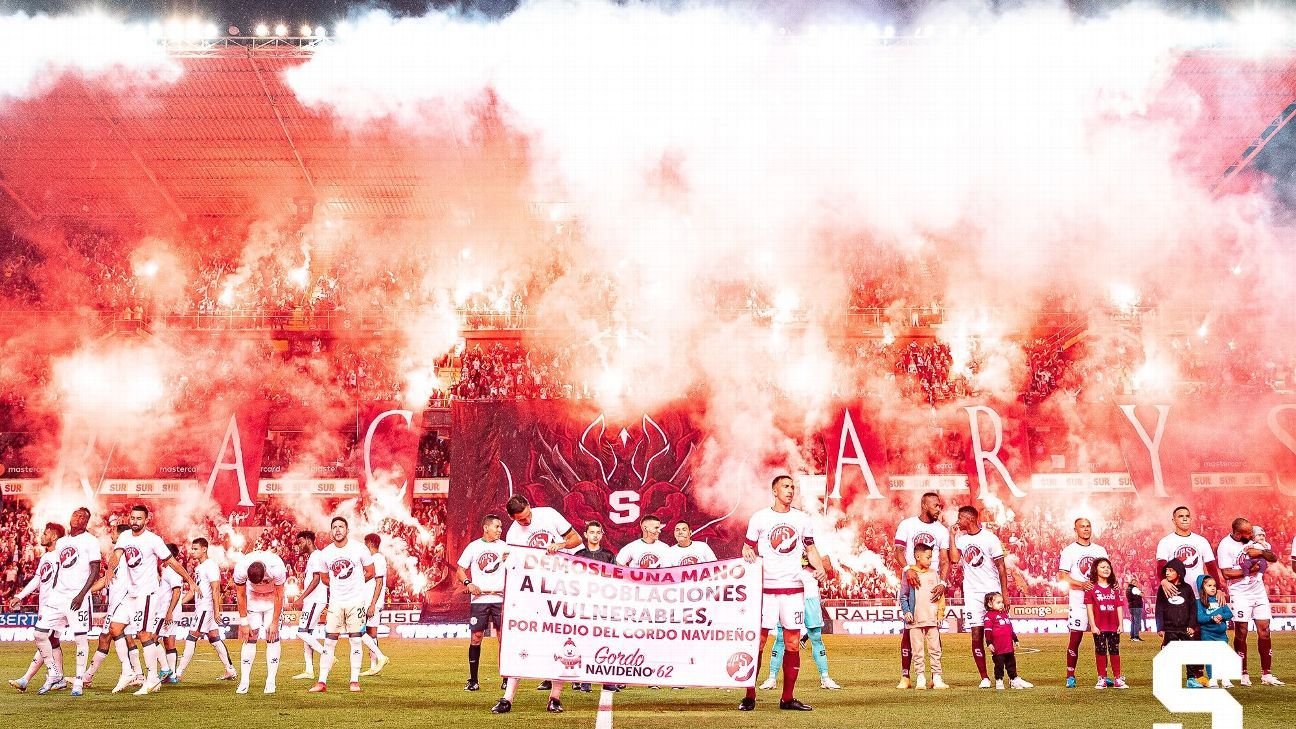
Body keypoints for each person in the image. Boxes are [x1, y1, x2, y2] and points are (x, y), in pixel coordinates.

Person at [739, 474, 825, 712]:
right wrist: (747, 552)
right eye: (785, 487)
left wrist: (820, 569)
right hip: (766, 590)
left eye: (792, 487)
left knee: (793, 643)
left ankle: (787, 698)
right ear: (774, 491)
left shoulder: (801, 519)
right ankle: (749, 695)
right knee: (759, 642)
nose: (790, 490)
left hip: (793, 589)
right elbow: (748, 546)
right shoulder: (760, 518)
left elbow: (811, 547)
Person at [492, 495, 582, 714]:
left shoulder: (549, 514)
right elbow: (515, 566)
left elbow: (576, 539)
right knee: (522, 640)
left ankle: (555, 698)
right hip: (534, 592)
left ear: (530, 506)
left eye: (528, 515)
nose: (527, 521)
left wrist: (561, 544)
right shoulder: (513, 533)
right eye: (521, 520)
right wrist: (507, 560)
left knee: (561, 640)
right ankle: (507, 698)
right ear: (512, 518)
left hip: (561, 587)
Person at [101, 504, 198, 695]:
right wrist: (110, 570)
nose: (135, 522)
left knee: (144, 634)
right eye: (132, 518)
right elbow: (116, 555)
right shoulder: (125, 536)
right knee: (114, 628)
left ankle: (152, 678)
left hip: (147, 594)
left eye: (139, 519)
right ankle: (128, 672)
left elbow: (171, 562)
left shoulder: (153, 540)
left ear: (147, 519)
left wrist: (190, 581)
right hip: (130, 594)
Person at [310, 516, 378, 694]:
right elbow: (324, 577)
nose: (338, 530)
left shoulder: (359, 548)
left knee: (355, 640)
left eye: (341, 526)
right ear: (331, 531)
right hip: (336, 602)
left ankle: (354, 681)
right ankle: (322, 681)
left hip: (356, 601)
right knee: (329, 642)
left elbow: (371, 572)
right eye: (334, 527)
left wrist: (355, 585)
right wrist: (337, 587)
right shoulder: (326, 553)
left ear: (347, 530)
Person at [1216, 517, 1283, 686]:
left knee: (1265, 630)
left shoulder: (1254, 540)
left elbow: (1272, 557)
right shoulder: (1225, 546)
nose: (1251, 534)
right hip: (1240, 593)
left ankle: (1266, 674)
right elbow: (1226, 574)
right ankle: (1242, 672)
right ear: (1238, 534)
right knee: (1241, 632)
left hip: (1259, 591)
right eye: (1247, 532)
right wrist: (1251, 570)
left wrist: (1260, 553)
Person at [893, 492, 950, 690]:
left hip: (932, 581)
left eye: (940, 506)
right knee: (909, 630)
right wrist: (907, 569)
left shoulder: (942, 530)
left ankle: (936, 676)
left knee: (934, 630)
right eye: (936, 505)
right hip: (912, 577)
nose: (939, 509)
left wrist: (943, 582)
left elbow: (944, 559)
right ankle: (906, 676)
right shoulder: (907, 525)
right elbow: (898, 551)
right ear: (924, 504)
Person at [759, 557, 842, 691]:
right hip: (789, 596)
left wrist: (810, 562)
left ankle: (825, 678)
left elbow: (827, 566)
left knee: (815, 637)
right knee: (781, 637)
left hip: (811, 596)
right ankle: (772, 678)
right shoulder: (784, 545)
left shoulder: (812, 546)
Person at [949, 505, 1009, 688]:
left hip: (991, 591)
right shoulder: (961, 539)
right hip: (972, 593)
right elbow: (953, 559)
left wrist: (1004, 593)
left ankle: (1009, 676)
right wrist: (951, 536)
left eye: (960, 518)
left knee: (1000, 636)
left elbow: (1001, 567)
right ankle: (984, 677)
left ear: (970, 518)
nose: (958, 521)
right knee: (976, 636)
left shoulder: (990, 538)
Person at [6, 522, 65, 694]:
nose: (42, 536)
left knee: (46, 639)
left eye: (46, 533)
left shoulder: (61, 557)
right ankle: (58, 678)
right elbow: (37, 580)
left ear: (54, 537)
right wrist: (19, 596)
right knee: (52, 641)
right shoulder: (46, 557)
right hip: (44, 605)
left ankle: (26, 679)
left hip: (56, 605)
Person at [46, 507, 99, 696]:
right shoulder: (61, 542)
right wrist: (53, 591)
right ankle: (55, 675)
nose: (77, 517)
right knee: (43, 634)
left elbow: (95, 570)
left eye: (82, 516)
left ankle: (78, 681)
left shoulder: (91, 541)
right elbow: (58, 569)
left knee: (80, 639)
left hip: (78, 598)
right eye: (75, 514)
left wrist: (82, 594)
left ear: (86, 522)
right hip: (59, 596)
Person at [83, 524, 142, 691]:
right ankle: (138, 675)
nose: (111, 536)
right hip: (124, 601)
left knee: (105, 637)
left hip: (119, 603)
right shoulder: (125, 556)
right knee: (127, 637)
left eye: (114, 533)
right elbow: (107, 579)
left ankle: (89, 677)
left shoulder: (121, 556)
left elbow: (105, 580)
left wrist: (84, 592)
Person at [457, 514, 507, 692]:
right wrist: (468, 584)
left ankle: (506, 679)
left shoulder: (505, 548)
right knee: (476, 638)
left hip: (501, 600)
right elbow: (460, 570)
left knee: (504, 639)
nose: (500, 530)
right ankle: (473, 680)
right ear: (486, 528)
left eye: (501, 527)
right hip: (479, 600)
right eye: (497, 527)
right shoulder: (474, 547)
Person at [175, 537, 236, 682]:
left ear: (204, 549)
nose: (193, 551)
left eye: (196, 549)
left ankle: (177, 673)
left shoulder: (211, 566)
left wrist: (216, 611)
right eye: (192, 549)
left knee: (191, 637)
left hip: (206, 608)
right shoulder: (199, 568)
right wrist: (179, 603)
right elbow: (194, 590)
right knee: (214, 638)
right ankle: (230, 670)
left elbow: (216, 590)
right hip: (202, 608)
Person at [1057, 517, 1108, 688]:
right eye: (1082, 527)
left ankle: (1102, 675)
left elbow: (1106, 572)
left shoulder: (1100, 550)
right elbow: (1062, 576)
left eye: (1088, 526)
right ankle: (1070, 675)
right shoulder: (1069, 551)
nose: (1086, 529)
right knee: (1075, 638)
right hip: (1078, 601)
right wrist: (1082, 584)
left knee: (1100, 639)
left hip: (1098, 602)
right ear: (1075, 530)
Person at [232, 548, 287, 694]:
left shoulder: (276, 565)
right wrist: (244, 622)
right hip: (252, 598)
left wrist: (275, 622)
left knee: (272, 636)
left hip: (272, 598)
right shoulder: (241, 567)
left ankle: (271, 681)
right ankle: (244, 681)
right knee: (250, 636)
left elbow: (279, 595)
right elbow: (241, 594)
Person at [572, 520, 619, 694]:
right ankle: (585, 679)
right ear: (585, 534)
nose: (595, 535)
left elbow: (617, 580)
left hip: (604, 606)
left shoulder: (608, 556)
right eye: (592, 532)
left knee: (606, 641)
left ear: (601, 535)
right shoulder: (578, 556)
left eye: (598, 532)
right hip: (584, 606)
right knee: (585, 641)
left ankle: (607, 680)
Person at [900, 544, 948, 690]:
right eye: (928, 557)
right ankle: (920, 677)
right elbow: (903, 596)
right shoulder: (909, 574)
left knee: (935, 649)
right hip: (915, 620)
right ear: (917, 556)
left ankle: (937, 677)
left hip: (932, 619)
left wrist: (940, 614)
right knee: (917, 650)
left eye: (931, 557)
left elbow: (941, 596)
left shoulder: (934, 573)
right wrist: (907, 611)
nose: (930, 560)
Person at [1156, 506, 1224, 604]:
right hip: (1176, 593)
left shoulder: (1201, 541)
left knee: (1198, 619)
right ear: (1174, 520)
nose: (1185, 518)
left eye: (1187, 516)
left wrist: (1218, 588)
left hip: (1199, 594)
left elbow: (1211, 567)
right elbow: (1161, 565)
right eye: (1180, 516)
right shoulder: (1165, 541)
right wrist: (1163, 581)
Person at [1155, 558, 1201, 688]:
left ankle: (1191, 679)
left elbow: (1193, 608)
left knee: (1190, 652)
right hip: (1170, 628)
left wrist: (1192, 625)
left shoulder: (1187, 588)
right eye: (1166, 571)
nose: (1167, 573)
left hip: (1185, 628)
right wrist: (1160, 627)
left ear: (1179, 573)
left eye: (1171, 571)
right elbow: (1159, 608)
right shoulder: (1162, 589)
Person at [1083, 557, 1127, 689]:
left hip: (1113, 626)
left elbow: (1119, 606)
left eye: (1108, 567)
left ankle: (1117, 679)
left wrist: (1121, 624)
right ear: (1095, 570)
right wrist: (1093, 625)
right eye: (1102, 567)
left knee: (1115, 651)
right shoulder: (1091, 588)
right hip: (1099, 626)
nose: (1106, 569)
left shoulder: (1115, 587)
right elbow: (1089, 607)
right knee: (1101, 651)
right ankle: (1101, 678)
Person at [292, 531, 329, 681]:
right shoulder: (313, 557)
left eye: (300, 542)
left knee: (301, 632)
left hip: (315, 600)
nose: (299, 546)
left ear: (308, 540)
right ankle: (309, 670)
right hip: (312, 600)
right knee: (308, 635)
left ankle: (326, 654)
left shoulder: (317, 556)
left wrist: (301, 598)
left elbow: (317, 579)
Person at [358, 533, 391, 676]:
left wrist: (372, 604)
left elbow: (379, 582)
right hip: (369, 601)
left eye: (365, 543)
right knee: (371, 633)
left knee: (358, 631)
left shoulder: (378, 559)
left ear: (370, 543)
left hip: (371, 602)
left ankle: (380, 657)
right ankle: (374, 666)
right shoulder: (374, 559)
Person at [984, 592, 1032, 689]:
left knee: (1011, 664)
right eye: (998, 602)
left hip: (1008, 647)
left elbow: (1010, 629)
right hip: (998, 647)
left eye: (1002, 602)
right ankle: (999, 681)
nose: (1001, 604)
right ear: (990, 604)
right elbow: (987, 631)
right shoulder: (989, 616)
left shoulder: (1004, 614)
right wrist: (989, 643)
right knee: (999, 665)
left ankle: (1013, 679)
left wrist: (1015, 639)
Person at [154, 544, 187, 684]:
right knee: (169, 643)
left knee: (150, 639)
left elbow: (177, 591)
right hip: (172, 613)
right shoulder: (169, 570)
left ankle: (165, 668)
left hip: (165, 613)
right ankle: (172, 675)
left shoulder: (171, 571)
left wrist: (168, 612)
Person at [1196, 575, 1234, 688]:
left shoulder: (1219, 599)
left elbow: (1229, 614)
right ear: (1202, 588)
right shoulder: (1199, 603)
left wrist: (1221, 616)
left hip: (1221, 635)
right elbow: (1199, 618)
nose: (1212, 588)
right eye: (1209, 586)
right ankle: (1212, 678)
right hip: (1207, 634)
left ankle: (1225, 679)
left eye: (1214, 586)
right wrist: (1211, 618)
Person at [1126, 576, 1145, 642]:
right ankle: (1136, 636)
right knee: (1137, 622)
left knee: (1133, 622)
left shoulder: (1128, 588)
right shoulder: (1134, 589)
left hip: (1131, 606)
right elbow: (1142, 594)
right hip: (1137, 606)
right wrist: (1141, 591)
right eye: (1136, 583)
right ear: (1135, 583)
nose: (1137, 584)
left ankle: (1132, 636)